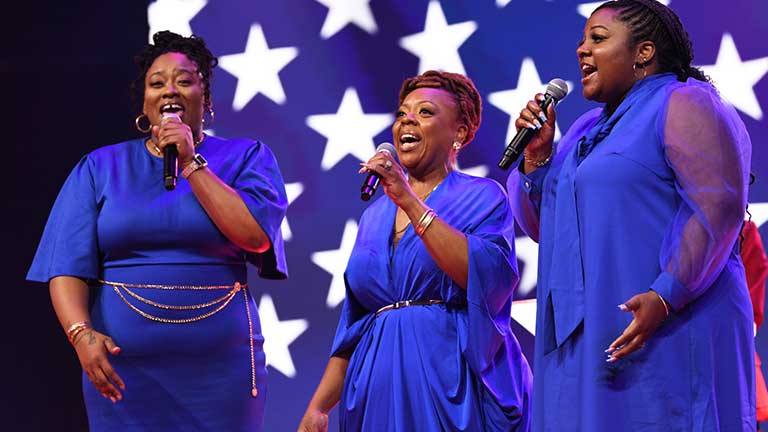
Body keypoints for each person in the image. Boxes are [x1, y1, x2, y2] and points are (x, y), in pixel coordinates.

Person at [508, 0, 754, 430]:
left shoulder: (682, 100)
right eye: (582, 42)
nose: (582, 51)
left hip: (666, 326)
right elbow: (547, 228)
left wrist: (666, 293)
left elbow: (718, 203)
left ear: (643, 52)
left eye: (598, 40)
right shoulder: (585, 130)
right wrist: (537, 157)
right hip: (592, 341)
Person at [27, 31, 287, 431]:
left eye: (185, 80)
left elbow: (254, 237)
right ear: (144, 103)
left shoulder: (246, 157)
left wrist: (191, 163)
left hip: (221, 368)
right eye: (157, 82)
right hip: (124, 366)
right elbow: (65, 266)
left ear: (207, 98)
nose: (170, 89)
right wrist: (81, 336)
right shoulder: (99, 167)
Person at [298, 70, 532, 431]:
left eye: (425, 112)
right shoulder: (373, 216)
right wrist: (318, 407)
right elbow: (355, 323)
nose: (407, 119)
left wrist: (408, 200)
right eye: (403, 113)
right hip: (375, 386)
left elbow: (488, 281)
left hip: (449, 380)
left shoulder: (483, 197)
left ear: (460, 133)